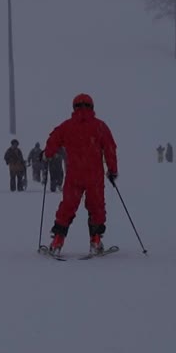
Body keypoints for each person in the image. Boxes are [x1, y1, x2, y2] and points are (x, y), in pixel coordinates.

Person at [43, 93, 118, 255]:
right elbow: (110, 149)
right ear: (92, 106)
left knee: (67, 207)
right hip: (94, 177)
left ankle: (57, 241)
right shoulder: (100, 126)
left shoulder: (67, 126)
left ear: (73, 107)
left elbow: (53, 140)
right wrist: (112, 170)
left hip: (74, 176)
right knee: (96, 207)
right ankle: (96, 240)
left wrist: (47, 154)